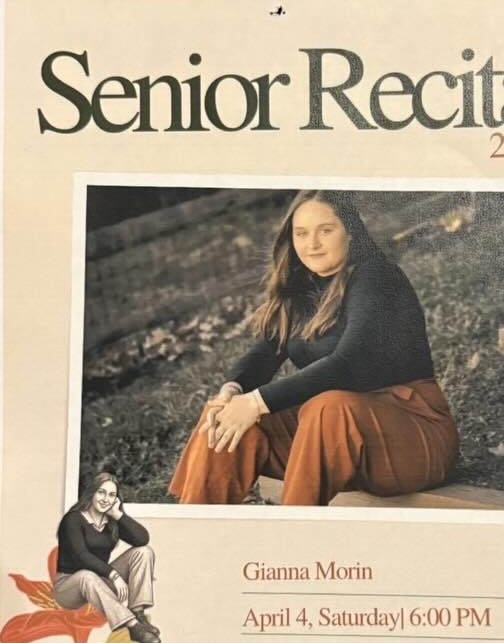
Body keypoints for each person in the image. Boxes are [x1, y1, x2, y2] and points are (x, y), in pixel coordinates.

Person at [169, 192, 460, 506]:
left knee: (329, 406)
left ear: (350, 233)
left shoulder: (376, 276)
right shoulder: (300, 288)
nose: (313, 244)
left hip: (412, 438)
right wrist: (232, 390)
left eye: (325, 230)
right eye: (302, 234)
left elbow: (350, 363)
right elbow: (265, 353)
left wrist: (256, 401)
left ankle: (295, 533)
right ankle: (199, 524)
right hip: (337, 441)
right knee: (223, 413)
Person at [52, 472, 160, 643]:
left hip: (100, 582)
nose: (105, 499)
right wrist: (114, 575)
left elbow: (142, 539)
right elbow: (81, 556)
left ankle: (138, 612)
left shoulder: (111, 521)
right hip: (69, 587)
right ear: (92, 493)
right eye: (101, 492)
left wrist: (117, 515)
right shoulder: (73, 519)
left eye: (111, 495)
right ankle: (133, 627)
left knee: (144, 552)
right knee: (86, 575)